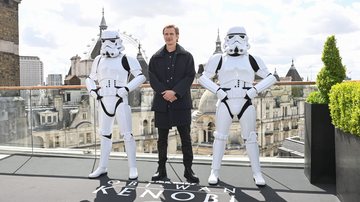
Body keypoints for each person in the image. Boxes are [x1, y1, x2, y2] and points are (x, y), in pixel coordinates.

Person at [198, 26, 277, 186]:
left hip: (245, 100)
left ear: (246, 39)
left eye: (240, 36)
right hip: (226, 100)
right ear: (227, 39)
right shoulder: (219, 59)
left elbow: (271, 77)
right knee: (220, 137)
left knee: (251, 138)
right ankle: (215, 171)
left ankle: (257, 173)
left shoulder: (253, 59)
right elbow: (203, 78)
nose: (236, 40)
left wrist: (254, 91)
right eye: (233, 36)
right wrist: (219, 91)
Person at [86, 30, 146, 179]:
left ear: (117, 41)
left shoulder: (127, 59)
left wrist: (126, 89)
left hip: (120, 99)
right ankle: (102, 166)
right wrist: (93, 91)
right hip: (104, 99)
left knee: (127, 134)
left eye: (111, 40)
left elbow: (141, 77)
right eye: (104, 41)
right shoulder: (98, 60)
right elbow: (90, 78)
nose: (107, 44)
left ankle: (132, 168)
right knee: (104, 134)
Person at [148, 24, 199, 183]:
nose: (168, 37)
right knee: (161, 140)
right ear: (163, 36)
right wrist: (165, 92)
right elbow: (152, 77)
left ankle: (188, 171)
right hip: (162, 104)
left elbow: (190, 76)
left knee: (185, 139)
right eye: (166, 34)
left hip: (181, 102)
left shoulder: (187, 56)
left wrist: (175, 93)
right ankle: (161, 170)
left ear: (177, 36)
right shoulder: (155, 57)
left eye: (171, 34)